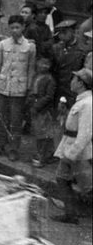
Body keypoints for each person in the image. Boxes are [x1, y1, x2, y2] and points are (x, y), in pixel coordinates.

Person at [0, 15, 36, 161]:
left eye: (18, 27)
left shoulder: (30, 47)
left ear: (23, 27)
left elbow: (31, 69)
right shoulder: (3, 44)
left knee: (16, 121)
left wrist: (29, 87)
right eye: (12, 28)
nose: (15, 30)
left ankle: (13, 148)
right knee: (2, 118)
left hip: (19, 89)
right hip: (4, 86)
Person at [51, 68, 92, 224]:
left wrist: (71, 155)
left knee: (88, 188)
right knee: (62, 179)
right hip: (70, 149)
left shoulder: (87, 104)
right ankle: (70, 214)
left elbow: (85, 134)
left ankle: (72, 214)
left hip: (79, 153)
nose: (71, 82)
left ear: (81, 83)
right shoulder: (81, 101)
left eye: (74, 79)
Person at [27, 57, 57, 168]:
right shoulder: (36, 76)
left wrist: (37, 106)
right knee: (38, 132)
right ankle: (44, 154)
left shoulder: (50, 79)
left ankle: (43, 156)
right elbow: (31, 90)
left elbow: (49, 97)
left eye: (46, 64)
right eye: (41, 64)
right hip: (35, 107)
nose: (43, 66)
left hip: (43, 110)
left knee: (44, 134)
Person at [52, 20, 87, 108]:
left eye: (64, 32)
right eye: (59, 33)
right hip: (58, 88)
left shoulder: (82, 49)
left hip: (74, 89)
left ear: (72, 31)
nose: (61, 36)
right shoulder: (56, 48)